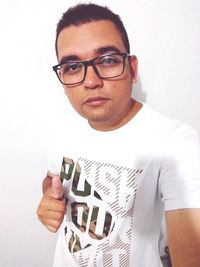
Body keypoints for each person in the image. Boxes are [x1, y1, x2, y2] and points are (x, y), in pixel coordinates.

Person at [37, 3, 200, 267]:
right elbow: (52, 178)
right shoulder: (63, 131)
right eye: (73, 67)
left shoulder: (176, 145)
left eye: (107, 60)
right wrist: (49, 198)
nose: (91, 81)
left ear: (132, 69)